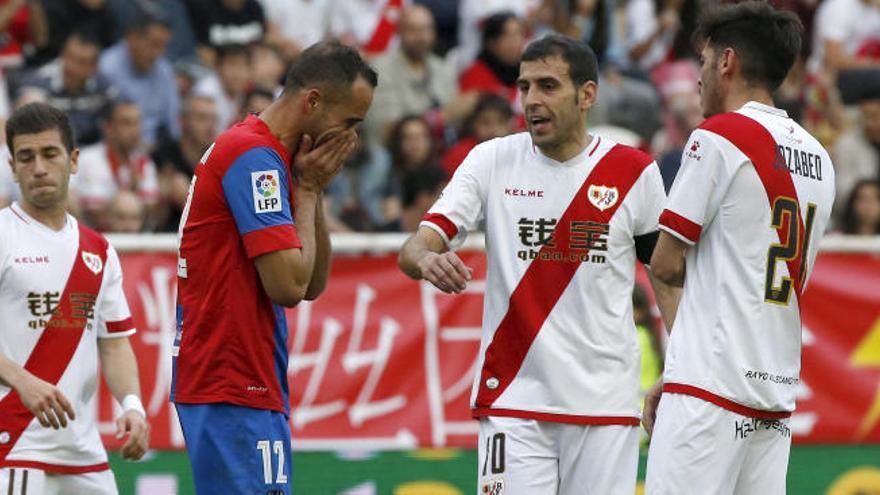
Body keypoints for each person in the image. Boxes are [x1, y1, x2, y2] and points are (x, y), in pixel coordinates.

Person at [399, 34, 678, 495]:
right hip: (513, 398)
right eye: (524, 87)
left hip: (605, 406)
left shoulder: (633, 170)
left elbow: (665, 276)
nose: (531, 100)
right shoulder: (491, 159)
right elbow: (414, 247)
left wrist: (680, 364)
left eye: (548, 86)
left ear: (587, 95)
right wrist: (427, 257)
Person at [645, 3, 836, 493]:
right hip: (773, 396)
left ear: (726, 62)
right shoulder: (819, 156)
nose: (699, 78)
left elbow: (665, 264)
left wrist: (681, 364)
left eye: (704, 63)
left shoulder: (719, 136)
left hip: (707, 389)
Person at [170, 41, 376, 494]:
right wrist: (305, 191)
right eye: (349, 122)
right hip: (230, 379)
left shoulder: (276, 159)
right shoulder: (254, 159)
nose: (351, 139)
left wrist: (310, 189)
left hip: (250, 377)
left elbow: (313, 284)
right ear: (313, 101)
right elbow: (287, 285)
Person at [0, 102, 148, 494]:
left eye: (50, 154)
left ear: (74, 159)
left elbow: (115, 343)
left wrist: (131, 405)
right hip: (12, 446)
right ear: (12, 167)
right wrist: (22, 382)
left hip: (84, 454)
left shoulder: (99, 251)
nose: (39, 168)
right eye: (26, 157)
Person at [18, 31, 119, 146]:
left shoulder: (102, 85)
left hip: (91, 153)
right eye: (69, 57)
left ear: (94, 67)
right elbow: (26, 125)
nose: (71, 66)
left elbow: (120, 115)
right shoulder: (40, 82)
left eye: (81, 62)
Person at [73, 99, 159, 231]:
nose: (135, 130)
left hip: (133, 243)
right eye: (126, 123)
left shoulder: (145, 163)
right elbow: (95, 214)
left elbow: (151, 213)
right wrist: (131, 194)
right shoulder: (86, 160)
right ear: (108, 128)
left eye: (137, 123)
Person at [99, 11, 179, 147]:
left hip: (155, 151)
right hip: (115, 149)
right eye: (154, 44)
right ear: (132, 38)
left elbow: (173, 126)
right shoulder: (106, 68)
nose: (158, 54)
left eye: (163, 46)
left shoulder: (164, 71)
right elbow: (103, 126)